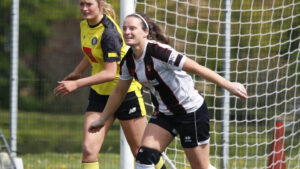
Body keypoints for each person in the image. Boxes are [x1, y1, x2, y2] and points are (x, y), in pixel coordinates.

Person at [88, 12, 248, 169]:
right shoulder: (128, 62)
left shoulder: (160, 52)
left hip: (190, 112)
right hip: (165, 113)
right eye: (125, 28)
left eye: (132, 28)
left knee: (201, 166)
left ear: (145, 32)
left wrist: (228, 85)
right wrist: (103, 119)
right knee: (144, 157)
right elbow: (118, 92)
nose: (127, 32)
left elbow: (197, 68)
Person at [54, 2, 166, 169]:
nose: (84, 8)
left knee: (141, 152)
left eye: (89, 4)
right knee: (89, 149)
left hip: (125, 95)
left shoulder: (109, 33)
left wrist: (77, 83)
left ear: (100, 4)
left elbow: (110, 73)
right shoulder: (85, 24)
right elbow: (92, 52)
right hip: (99, 96)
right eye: (81, 4)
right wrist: (78, 71)